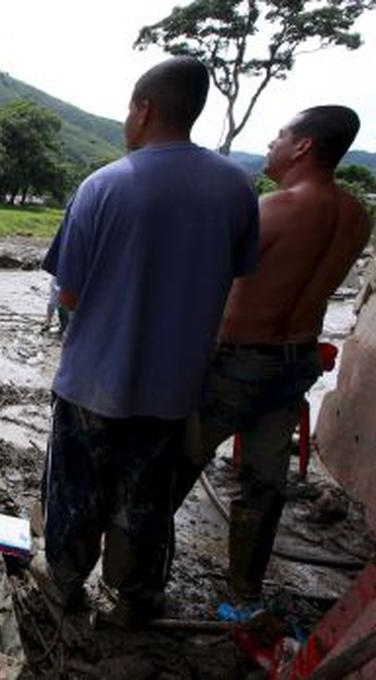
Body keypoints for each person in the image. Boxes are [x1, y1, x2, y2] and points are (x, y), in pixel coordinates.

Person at [37, 57, 259, 627]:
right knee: (147, 501)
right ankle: (135, 598)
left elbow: (69, 297)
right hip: (174, 389)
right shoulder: (238, 188)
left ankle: (64, 586)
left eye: (128, 110)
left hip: (92, 381)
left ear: (145, 109)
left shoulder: (102, 186)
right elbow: (236, 277)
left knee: (75, 494)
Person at [172, 106, 371, 606]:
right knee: (264, 485)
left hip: (238, 364)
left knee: (171, 465)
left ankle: (139, 579)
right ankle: (243, 595)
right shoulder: (356, 217)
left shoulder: (276, 208)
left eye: (280, 135)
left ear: (303, 147)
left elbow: (208, 283)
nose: (270, 145)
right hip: (294, 364)